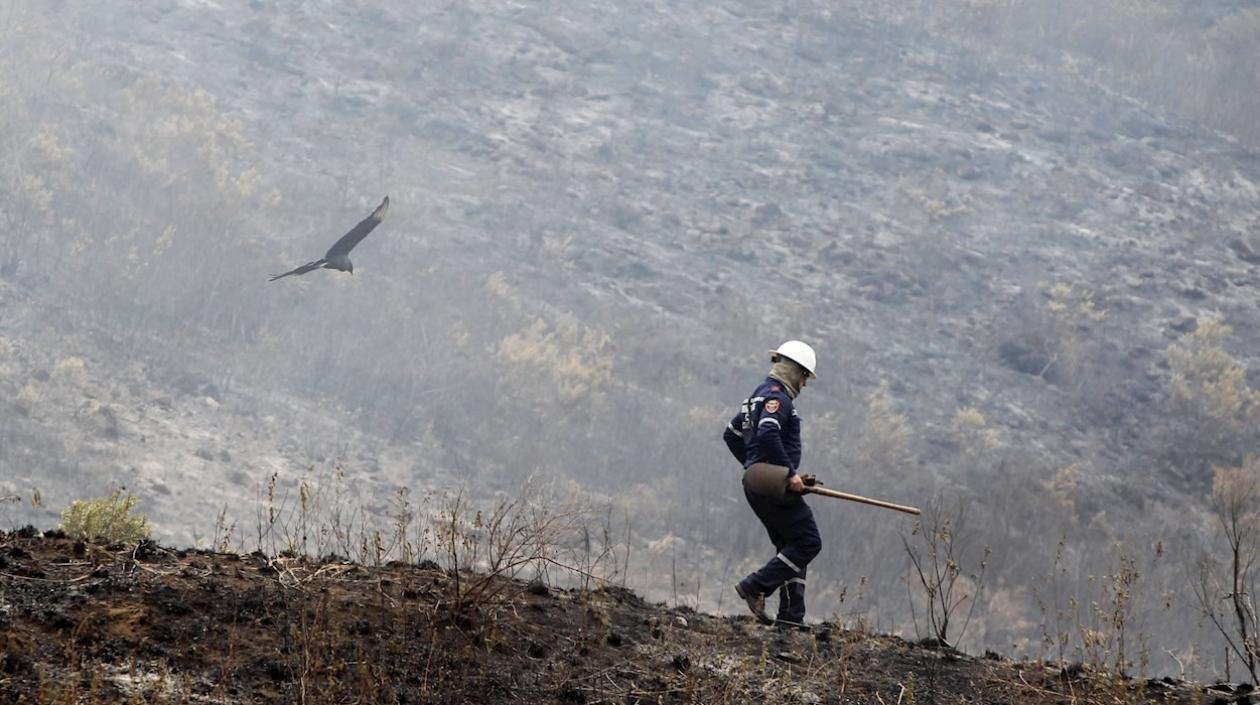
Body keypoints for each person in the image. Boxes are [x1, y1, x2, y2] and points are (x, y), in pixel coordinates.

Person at [723, 340, 821, 628]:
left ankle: (791, 617)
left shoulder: (756, 397)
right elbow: (767, 433)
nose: (804, 384)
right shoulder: (778, 398)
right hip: (772, 485)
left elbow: (731, 435)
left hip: (758, 484)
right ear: (793, 370)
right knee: (808, 542)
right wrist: (789, 474)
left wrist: (753, 466)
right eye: (804, 376)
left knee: (792, 546)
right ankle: (755, 586)